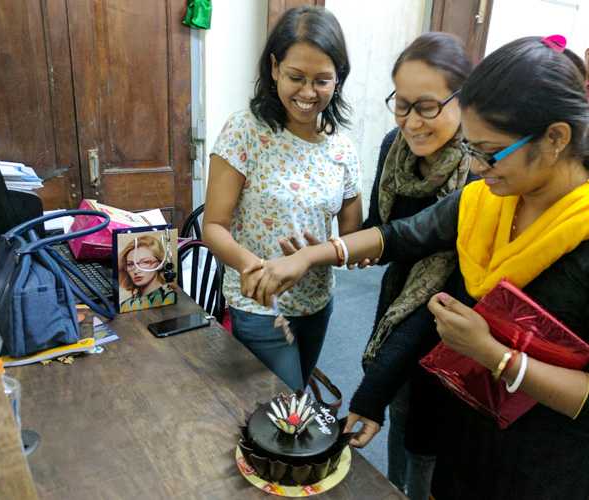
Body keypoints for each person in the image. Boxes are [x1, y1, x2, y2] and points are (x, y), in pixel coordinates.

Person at [244, 35, 589, 499]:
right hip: (464, 434)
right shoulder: (485, 199)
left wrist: (493, 355)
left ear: (555, 138)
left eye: (490, 152)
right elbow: (400, 234)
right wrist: (310, 255)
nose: (479, 166)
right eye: (473, 149)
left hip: (544, 464)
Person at [202, 6, 362, 391]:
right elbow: (213, 225)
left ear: (338, 79)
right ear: (274, 68)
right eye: (296, 77)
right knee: (281, 410)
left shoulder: (341, 147)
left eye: (322, 80)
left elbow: (353, 235)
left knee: (295, 401)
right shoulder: (245, 131)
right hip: (260, 303)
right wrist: (257, 268)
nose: (308, 93)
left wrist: (320, 252)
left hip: (317, 301)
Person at [344, 32, 473, 500]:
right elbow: (385, 233)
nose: (412, 122)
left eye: (427, 106)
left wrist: (370, 392)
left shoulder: (481, 175)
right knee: (399, 411)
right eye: (401, 105)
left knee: (432, 435)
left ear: (463, 100)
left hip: (452, 322)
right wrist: (342, 247)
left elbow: (444, 283)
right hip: (399, 304)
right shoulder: (392, 147)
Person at [118, 234, 176, 312]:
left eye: (145, 262)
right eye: (130, 264)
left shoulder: (170, 297)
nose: (136, 271)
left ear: (160, 264)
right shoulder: (125, 305)